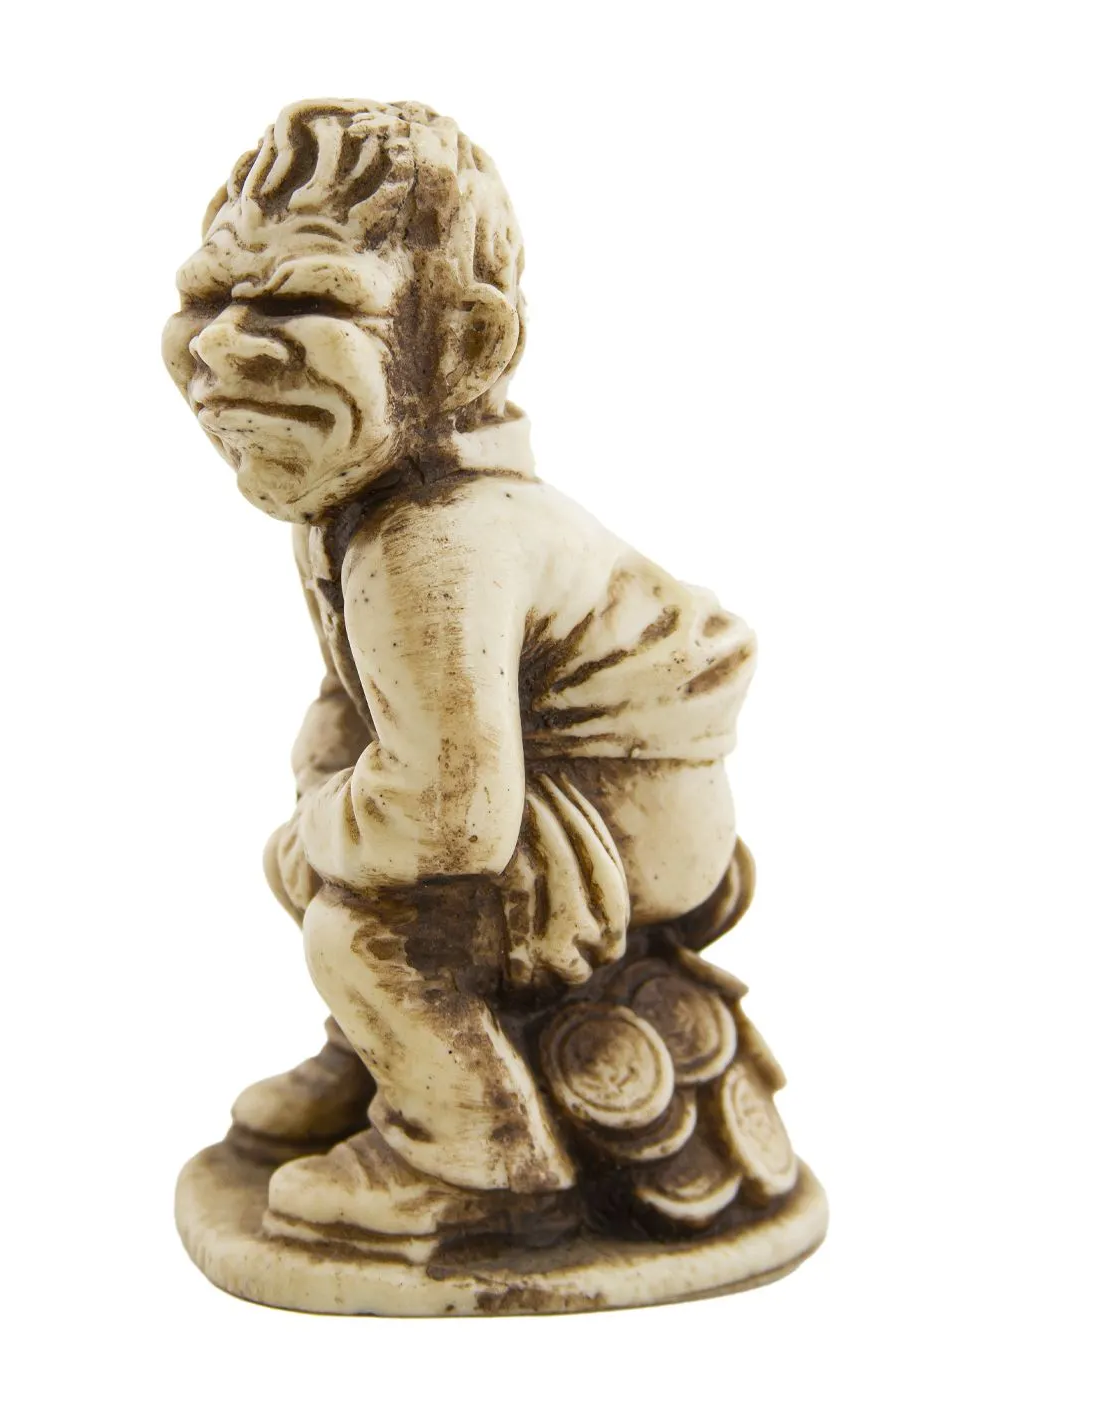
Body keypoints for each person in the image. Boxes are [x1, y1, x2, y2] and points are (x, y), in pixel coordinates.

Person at [164, 100, 756, 1255]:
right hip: (517, 780)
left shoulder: (433, 538)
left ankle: (472, 1154)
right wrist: (327, 785)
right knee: (332, 831)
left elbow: (447, 814)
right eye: (207, 297)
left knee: (361, 929)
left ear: (465, 345)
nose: (224, 346)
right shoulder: (351, 502)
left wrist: (318, 831)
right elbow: (365, 705)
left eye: (304, 303)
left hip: (618, 816)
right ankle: (391, 1053)